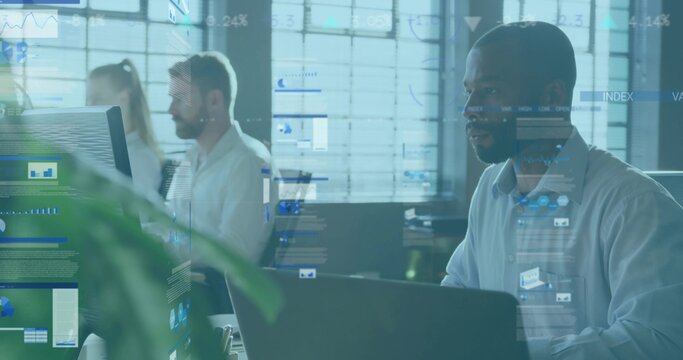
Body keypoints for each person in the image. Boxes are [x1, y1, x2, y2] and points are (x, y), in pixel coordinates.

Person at [441, 22, 683, 359]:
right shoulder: (490, 189)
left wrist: (518, 355)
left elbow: (659, 340)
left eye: (490, 91)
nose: (469, 108)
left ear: (552, 96)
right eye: (469, 91)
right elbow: (462, 290)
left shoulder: (635, 205)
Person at [167, 51, 276, 264]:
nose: (171, 110)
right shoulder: (191, 158)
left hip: (217, 293)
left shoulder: (249, 162)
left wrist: (167, 250)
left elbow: (235, 252)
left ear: (214, 101)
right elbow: (174, 223)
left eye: (180, 99)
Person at [87, 59, 163, 196]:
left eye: (96, 99)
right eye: (88, 100)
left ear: (123, 99)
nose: (89, 108)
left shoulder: (140, 160)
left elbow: (137, 216)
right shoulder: (107, 151)